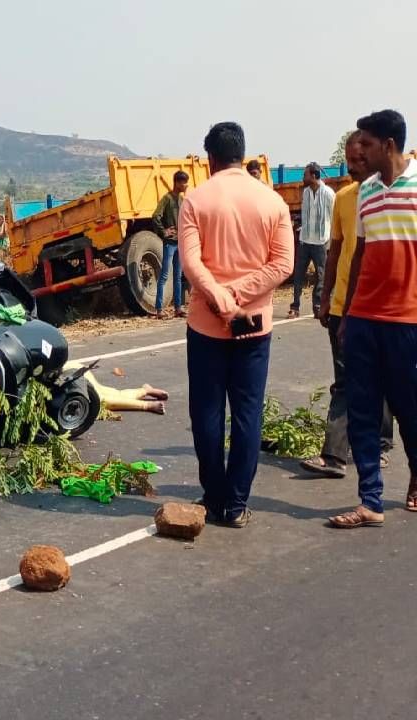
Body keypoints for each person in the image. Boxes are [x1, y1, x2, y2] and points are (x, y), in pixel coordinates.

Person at [179, 122, 294, 529]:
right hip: (255, 325)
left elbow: (191, 263)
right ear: (243, 154)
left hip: (207, 324)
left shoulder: (195, 199)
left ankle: (213, 498)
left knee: (207, 412)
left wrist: (221, 298)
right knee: (248, 413)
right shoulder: (272, 202)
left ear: (210, 157)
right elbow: (283, 264)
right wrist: (241, 294)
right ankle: (236, 504)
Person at [330, 110, 417, 529]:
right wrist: (346, 314)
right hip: (365, 317)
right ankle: (370, 500)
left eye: (366, 143)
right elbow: (359, 254)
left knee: (409, 408)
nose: (357, 150)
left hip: (408, 321)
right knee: (362, 410)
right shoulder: (364, 192)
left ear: (389, 145)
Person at [303, 132, 395, 479]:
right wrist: (325, 298)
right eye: (351, 160)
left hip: (379, 307)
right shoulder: (343, 198)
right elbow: (336, 252)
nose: (354, 167)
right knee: (344, 380)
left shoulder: (389, 197)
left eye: (360, 160)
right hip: (343, 305)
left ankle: (381, 444)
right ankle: (335, 454)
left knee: (381, 378)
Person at [288, 163, 336, 319]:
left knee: (320, 276)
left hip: (321, 241)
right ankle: (295, 306)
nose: (303, 178)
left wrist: (331, 241)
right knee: (298, 275)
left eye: (305, 175)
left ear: (314, 176)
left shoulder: (328, 194)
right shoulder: (306, 193)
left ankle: (317, 306)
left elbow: (335, 217)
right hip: (305, 240)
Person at [152, 171, 189, 319]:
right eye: (184, 183)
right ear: (177, 183)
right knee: (165, 275)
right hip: (170, 243)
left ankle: (178, 308)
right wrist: (163, 232)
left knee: (178, 276)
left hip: (179, 242)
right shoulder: (166, 199)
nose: (186, 185)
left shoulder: (181, 200)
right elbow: (156, 216)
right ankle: (159, 309)